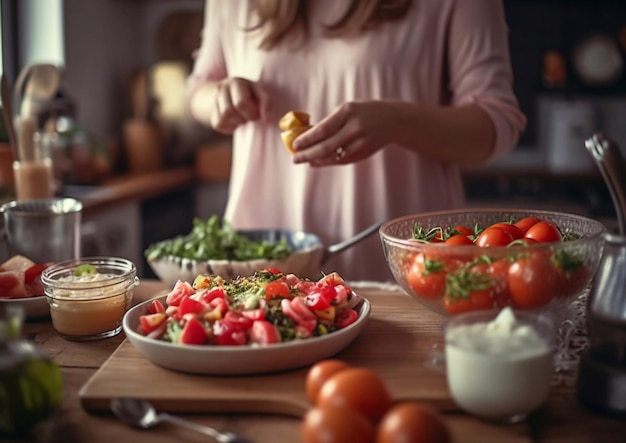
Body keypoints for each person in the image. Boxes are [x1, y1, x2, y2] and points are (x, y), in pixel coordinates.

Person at [187, 0, 526, 282]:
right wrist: (219, 98)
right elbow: (200, 87)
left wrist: (399, 121)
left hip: (405, 270)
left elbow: (497, 122)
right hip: (256, 267)